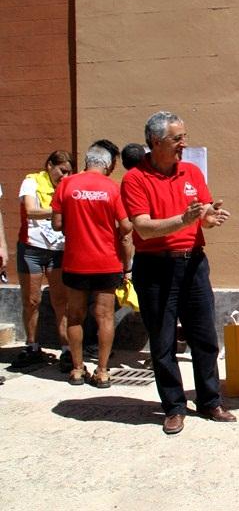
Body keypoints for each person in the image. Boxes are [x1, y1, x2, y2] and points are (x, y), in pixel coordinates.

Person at [122, 111, 235, 435]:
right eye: (177, 138)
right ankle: (173, 407)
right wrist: (183, 220)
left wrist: (209, 218)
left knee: (205, 337)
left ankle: (210, 401)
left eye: (184, 137)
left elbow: (204, 214)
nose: (184, 144)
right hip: (155, 268)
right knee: (163, 342)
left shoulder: (191, 171)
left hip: (194, 264)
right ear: (156, 142)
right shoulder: (135, 179)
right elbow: (143, 228)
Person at [51, 142, 132, 387]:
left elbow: (57, 224)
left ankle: (77, 369)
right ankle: (103, 371)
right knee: (105, 317)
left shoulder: (66, 184)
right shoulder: (112, 187)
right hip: (107, 261)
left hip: (76, 261)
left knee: (75, 315)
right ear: (108, 164)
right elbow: (126, 226)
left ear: (87, 161)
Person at [11, 150, 73, 370]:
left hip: (58, 249)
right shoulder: (32, 182)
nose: (65, 176)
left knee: (61, 300)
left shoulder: (67, 186)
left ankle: (67, 348)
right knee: (32, 300)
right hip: (32, 248)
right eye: (62, 171)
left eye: (69, 172)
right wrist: (58, 211)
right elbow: (30, 210)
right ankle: (32, 346)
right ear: (49, 166)